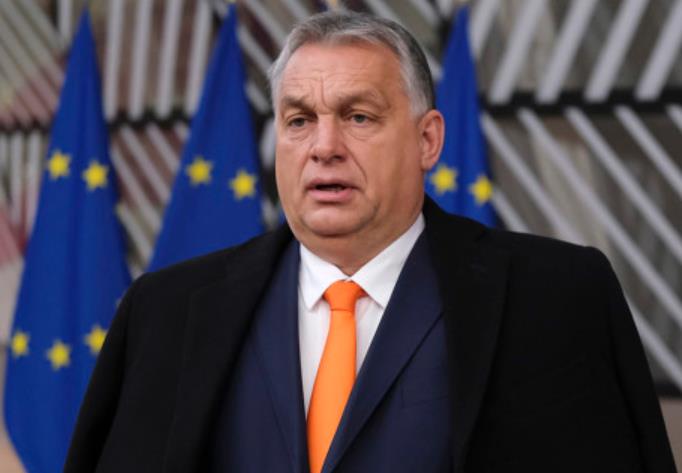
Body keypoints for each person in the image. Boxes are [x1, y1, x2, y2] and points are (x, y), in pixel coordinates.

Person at [65, 11, 676, 473]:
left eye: (358, 117)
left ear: (427, 141)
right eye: (299, 120)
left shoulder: (558, 297)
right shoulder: (165, 312)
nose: (324, 147)